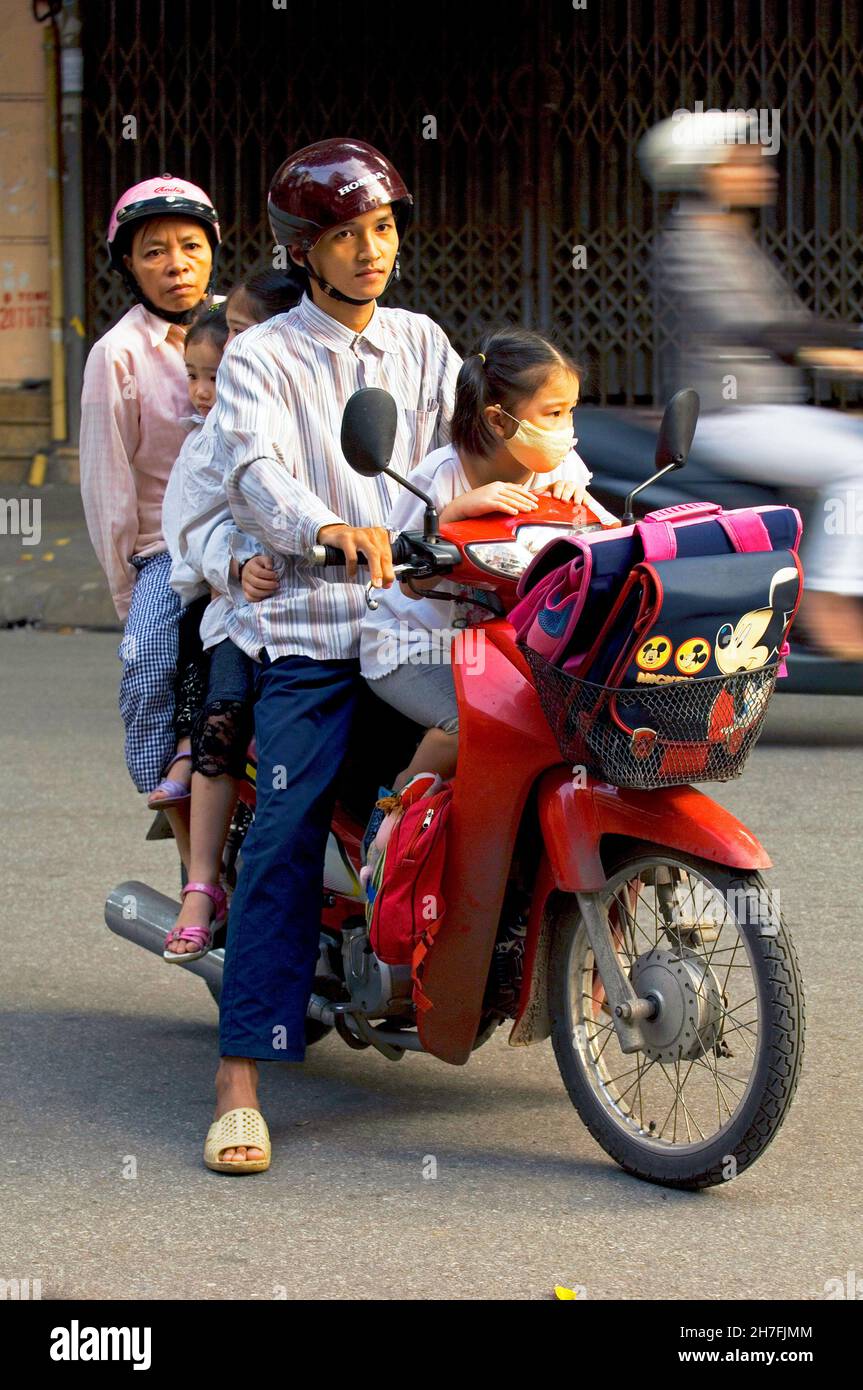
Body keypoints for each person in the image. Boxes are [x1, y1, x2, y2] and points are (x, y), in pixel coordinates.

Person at [201, 138, 462, 1173]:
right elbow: (254, 468)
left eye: (383, 228)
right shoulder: (260, 357)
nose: (370, 250)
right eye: (346, 234)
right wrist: (321, 530)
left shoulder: (421, 341)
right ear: (302, 249)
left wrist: (563, 497)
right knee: (285, 828)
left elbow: (480, 435)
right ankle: (238, 1079)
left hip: (416, 619)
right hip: (314, 629)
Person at [640, 112, 863, 659]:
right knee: (857, 462)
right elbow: (764, 330)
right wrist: (843, 357)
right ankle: (830, 605)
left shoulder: (726, 236)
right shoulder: (693, 242)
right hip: (729, 418)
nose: (761, 170)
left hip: (768, 413)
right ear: (707, 171)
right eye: (741, 161)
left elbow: (795, 326)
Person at [360, 327, 589, 790]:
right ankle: (394, 819)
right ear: (499, 421)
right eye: (553, 413)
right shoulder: (440, 476)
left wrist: (575, 505)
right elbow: (405, 581)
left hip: (501, 647)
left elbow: (596, 545)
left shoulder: (562, 467)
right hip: (415, 644)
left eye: (570, 411)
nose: (566, 429)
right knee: (470, 724)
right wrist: (450, 517)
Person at [160, 270, 306, 960]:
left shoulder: (336, 398)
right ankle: (201, 884)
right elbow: (191, 527)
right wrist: (238, 564)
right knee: (221, 722)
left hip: (344, 611)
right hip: (239, 612)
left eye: (250, 334)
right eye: (235, 335)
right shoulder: (218, 428)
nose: (238, 350)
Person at [79, 175, 220, 865]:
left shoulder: (249, 329)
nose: (176, 265)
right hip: (168, 551)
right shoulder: (117, 355)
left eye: (191, 246)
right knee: (148, 670)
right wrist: (130, 594)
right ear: (129, 266)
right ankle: (191, 853)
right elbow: (106, 485)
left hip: (259, 537)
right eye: (154, 251)